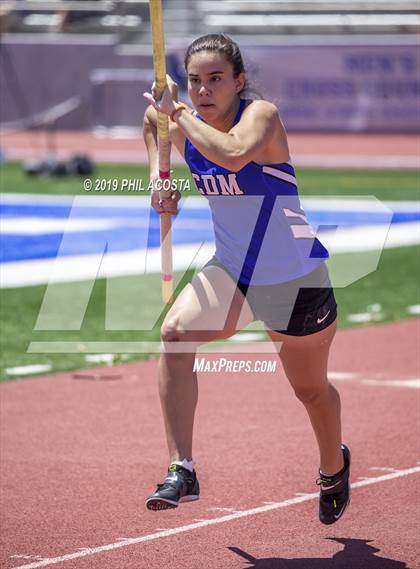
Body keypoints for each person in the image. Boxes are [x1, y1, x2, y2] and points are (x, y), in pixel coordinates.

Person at [142, 34, 351, 525]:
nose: (204, 89)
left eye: (216, 79)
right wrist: (159, 179)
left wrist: (181, 115)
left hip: (295, 279)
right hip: (233, 271)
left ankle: (333, 466)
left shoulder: (261, 117)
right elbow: (153, 124)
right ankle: (183, 467)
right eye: (195, 81)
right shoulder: (177, 118)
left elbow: (233, 155)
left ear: (239, 81)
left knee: (311, 391)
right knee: (174, 334)